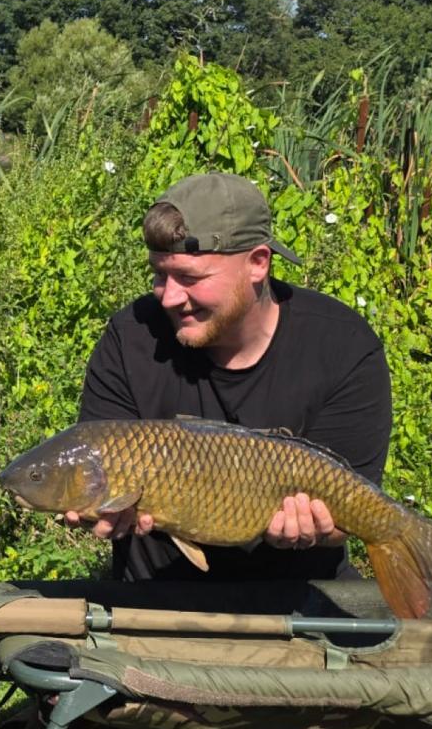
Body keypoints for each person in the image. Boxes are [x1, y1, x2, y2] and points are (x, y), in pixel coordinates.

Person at [73, 172, 392, 583]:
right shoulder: (130, 337)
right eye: (159, 274)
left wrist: (327, 529)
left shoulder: (344, 348)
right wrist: (93, 510)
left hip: (298, 596)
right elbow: (96, 470)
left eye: (190, 278)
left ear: (258, 263)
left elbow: (354, 503)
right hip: (156, 595)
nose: (168, 296)